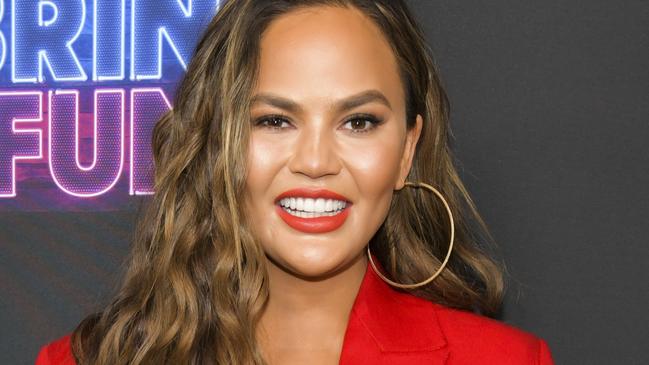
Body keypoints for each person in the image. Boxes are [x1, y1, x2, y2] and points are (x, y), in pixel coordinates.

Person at [35, 0, 555, 364]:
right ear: (220, 142)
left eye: (359, 122)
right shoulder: (80, 361)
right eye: (274, 120)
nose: (315, 161)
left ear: (408, 150)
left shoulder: (506, 360)